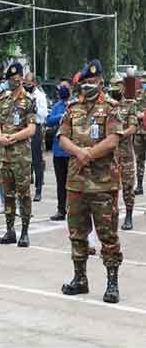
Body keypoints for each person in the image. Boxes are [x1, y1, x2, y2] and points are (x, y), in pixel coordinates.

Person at [58, 59, 124, 304]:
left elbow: (112, 140)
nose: (90, 85)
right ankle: (80, 279)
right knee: (77, 233)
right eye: (86, 82)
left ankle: (112, 283)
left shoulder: (111, 107)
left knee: (108, 235)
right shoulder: (72, 108)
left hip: (104, 184)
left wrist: (88, 154)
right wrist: (78, 152)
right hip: (76, 183)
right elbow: (63, 138)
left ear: (102, 81)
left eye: (94, 81)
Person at [0, 62, 36, 247]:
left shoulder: (28, 100)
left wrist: (13, 137)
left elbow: (32, 129)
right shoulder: (3, 100)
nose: (12, 81)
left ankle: (25, 232)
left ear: (21, 78)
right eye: (10, 79)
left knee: (23, 195)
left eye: (15, 78)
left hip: (21, 156)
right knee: (8, 194)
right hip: (5, 155)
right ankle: (10, 230)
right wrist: (0, 137)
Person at [110, 75, 139, 230]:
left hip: (126, 154)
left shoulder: (130, 105)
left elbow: (133, 127)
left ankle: (128, 216)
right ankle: (112, 215)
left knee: (128, 187)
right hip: (111, 155)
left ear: (123, 87)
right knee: (111, 188)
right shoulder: (108, 105)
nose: (115, 89)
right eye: (112, 85)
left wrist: (120, 134)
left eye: (118, 86)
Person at [47, 79, 72, 221]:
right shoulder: (57, 106)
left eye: (65, 87)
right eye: (61, 87)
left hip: (71, 150)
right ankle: (61, 210)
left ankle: (73, 209)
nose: (62, 89)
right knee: (60, 182)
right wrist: (60, 117)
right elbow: (48, 121)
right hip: (58, 150)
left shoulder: (75, 105)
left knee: (72, 182)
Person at [25, 72, 48, 202]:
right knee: (25, 160)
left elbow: (44, 114)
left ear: (34, 83)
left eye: (29, 83)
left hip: (36, 128)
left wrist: (35, 108)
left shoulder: (40, 96)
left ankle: (38, 190)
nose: (27, 85)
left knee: (37, 160)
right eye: (25, 83)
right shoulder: (23, 94)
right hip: (24, 128)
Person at [135, 79, 146, 195]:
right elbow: (133, 108)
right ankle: (139, 186)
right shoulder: (137, 94)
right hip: (139, 131)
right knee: (139, 160)